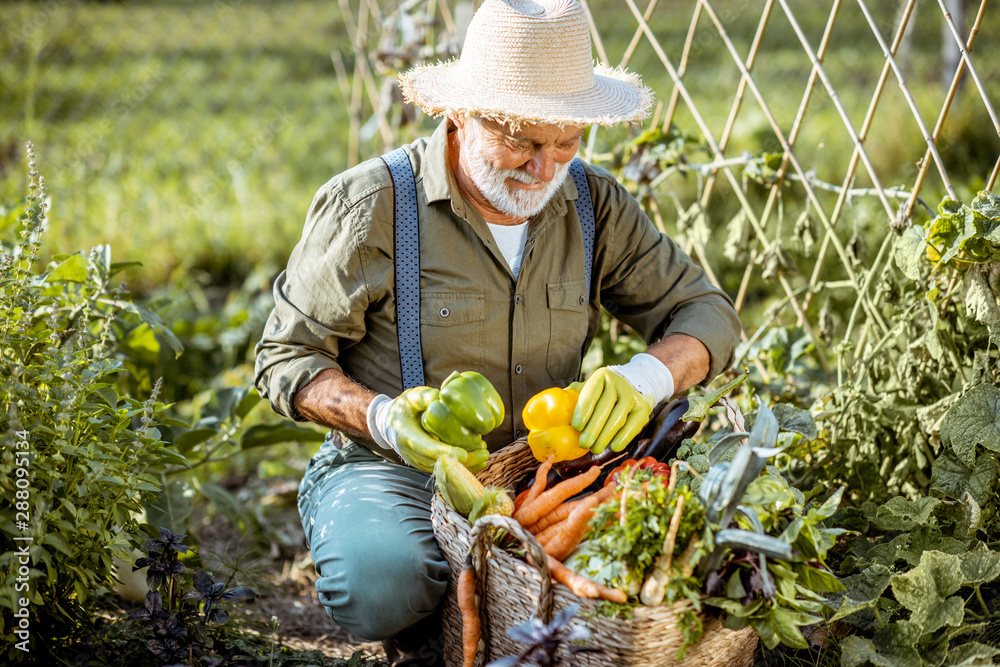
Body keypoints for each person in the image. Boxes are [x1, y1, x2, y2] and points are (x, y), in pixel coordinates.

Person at [254, 0, 741, 664]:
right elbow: (285, 357)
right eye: (519, 139)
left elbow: (707, 313)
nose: (543, 167)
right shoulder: (372, 206)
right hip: (397, 468)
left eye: (565, 142)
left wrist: (648, 375)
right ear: (458, 111)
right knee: (382, 582)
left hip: (544, 478)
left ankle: (498, 612)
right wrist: (385, 418)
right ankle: (430, 624)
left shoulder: (596, 205)